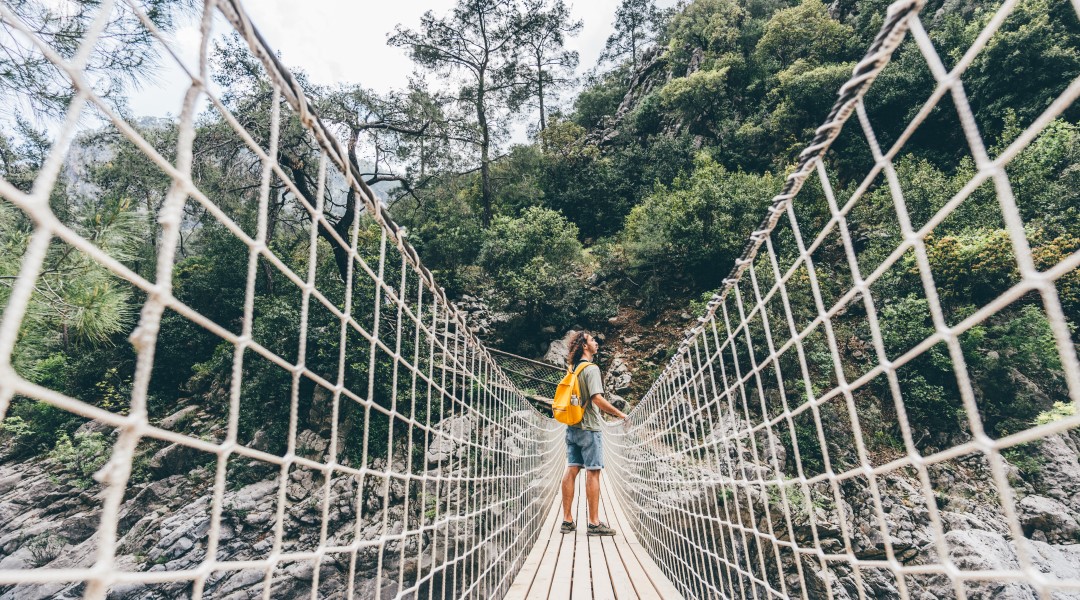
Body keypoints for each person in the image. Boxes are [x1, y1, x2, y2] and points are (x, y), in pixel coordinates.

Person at [560, 330, 628, 536]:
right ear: (584, 346)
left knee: (571, 469)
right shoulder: (591, 369)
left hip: (572, 426)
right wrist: (620, 415)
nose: (596, 342)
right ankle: (594, 523)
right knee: (593, 471)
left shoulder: (572, 369)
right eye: (592, 340)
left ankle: (567, 520)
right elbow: (597, 399)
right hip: (589, 427)